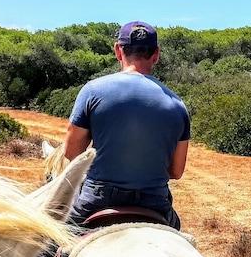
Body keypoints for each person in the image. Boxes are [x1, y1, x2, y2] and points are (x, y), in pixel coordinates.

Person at [63, 20, 190, 230]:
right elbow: (176, 171)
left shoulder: (92, 91)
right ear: (156, 54)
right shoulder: (177, 104)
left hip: (98, 198)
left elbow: (71, 152)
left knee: (51, 246)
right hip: (155, 202)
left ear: (117, 50)